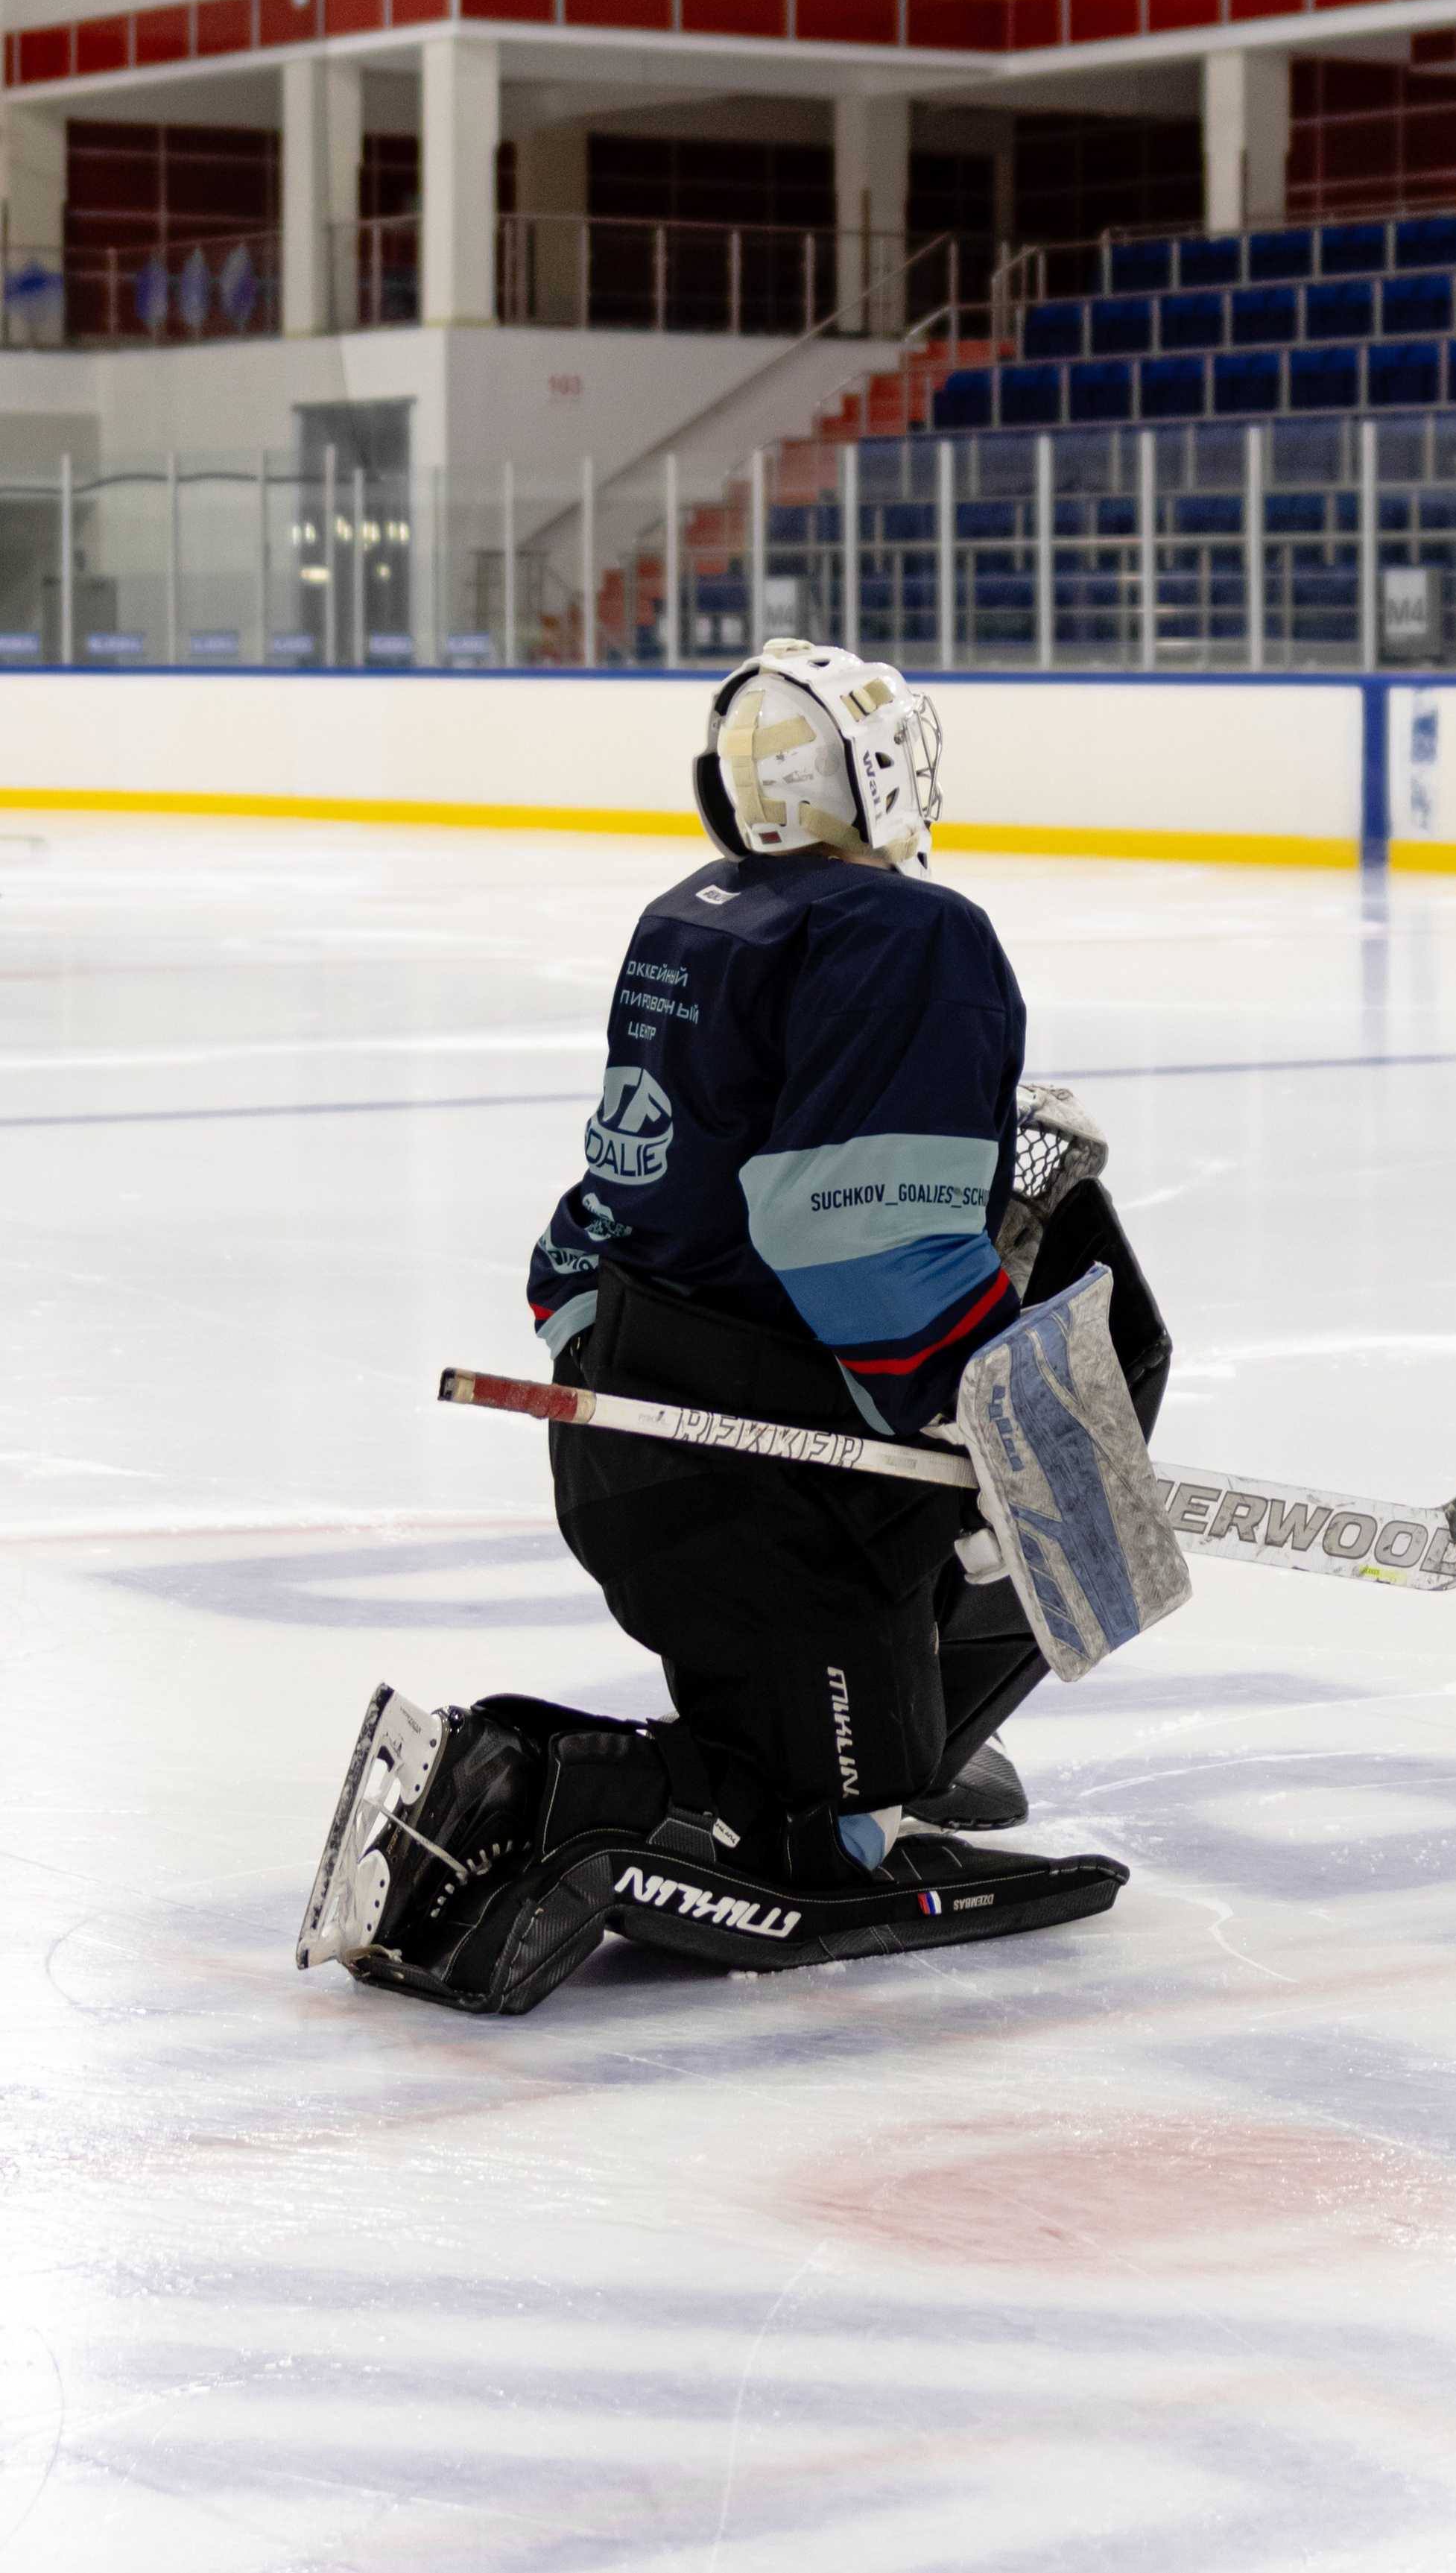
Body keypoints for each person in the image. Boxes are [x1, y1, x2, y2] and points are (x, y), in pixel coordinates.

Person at [297, 642, 1152, 2016]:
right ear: (877, 775)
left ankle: (892, 1737)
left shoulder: (693, 913)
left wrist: (598, 1337)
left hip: (637, 1436)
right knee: (1068, 1437)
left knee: (924, 1586)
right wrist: (992, 1415)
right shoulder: (919, 934)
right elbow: (858, 1237)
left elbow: (628, 1187)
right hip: (784, 1493)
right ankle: (783, 1799)